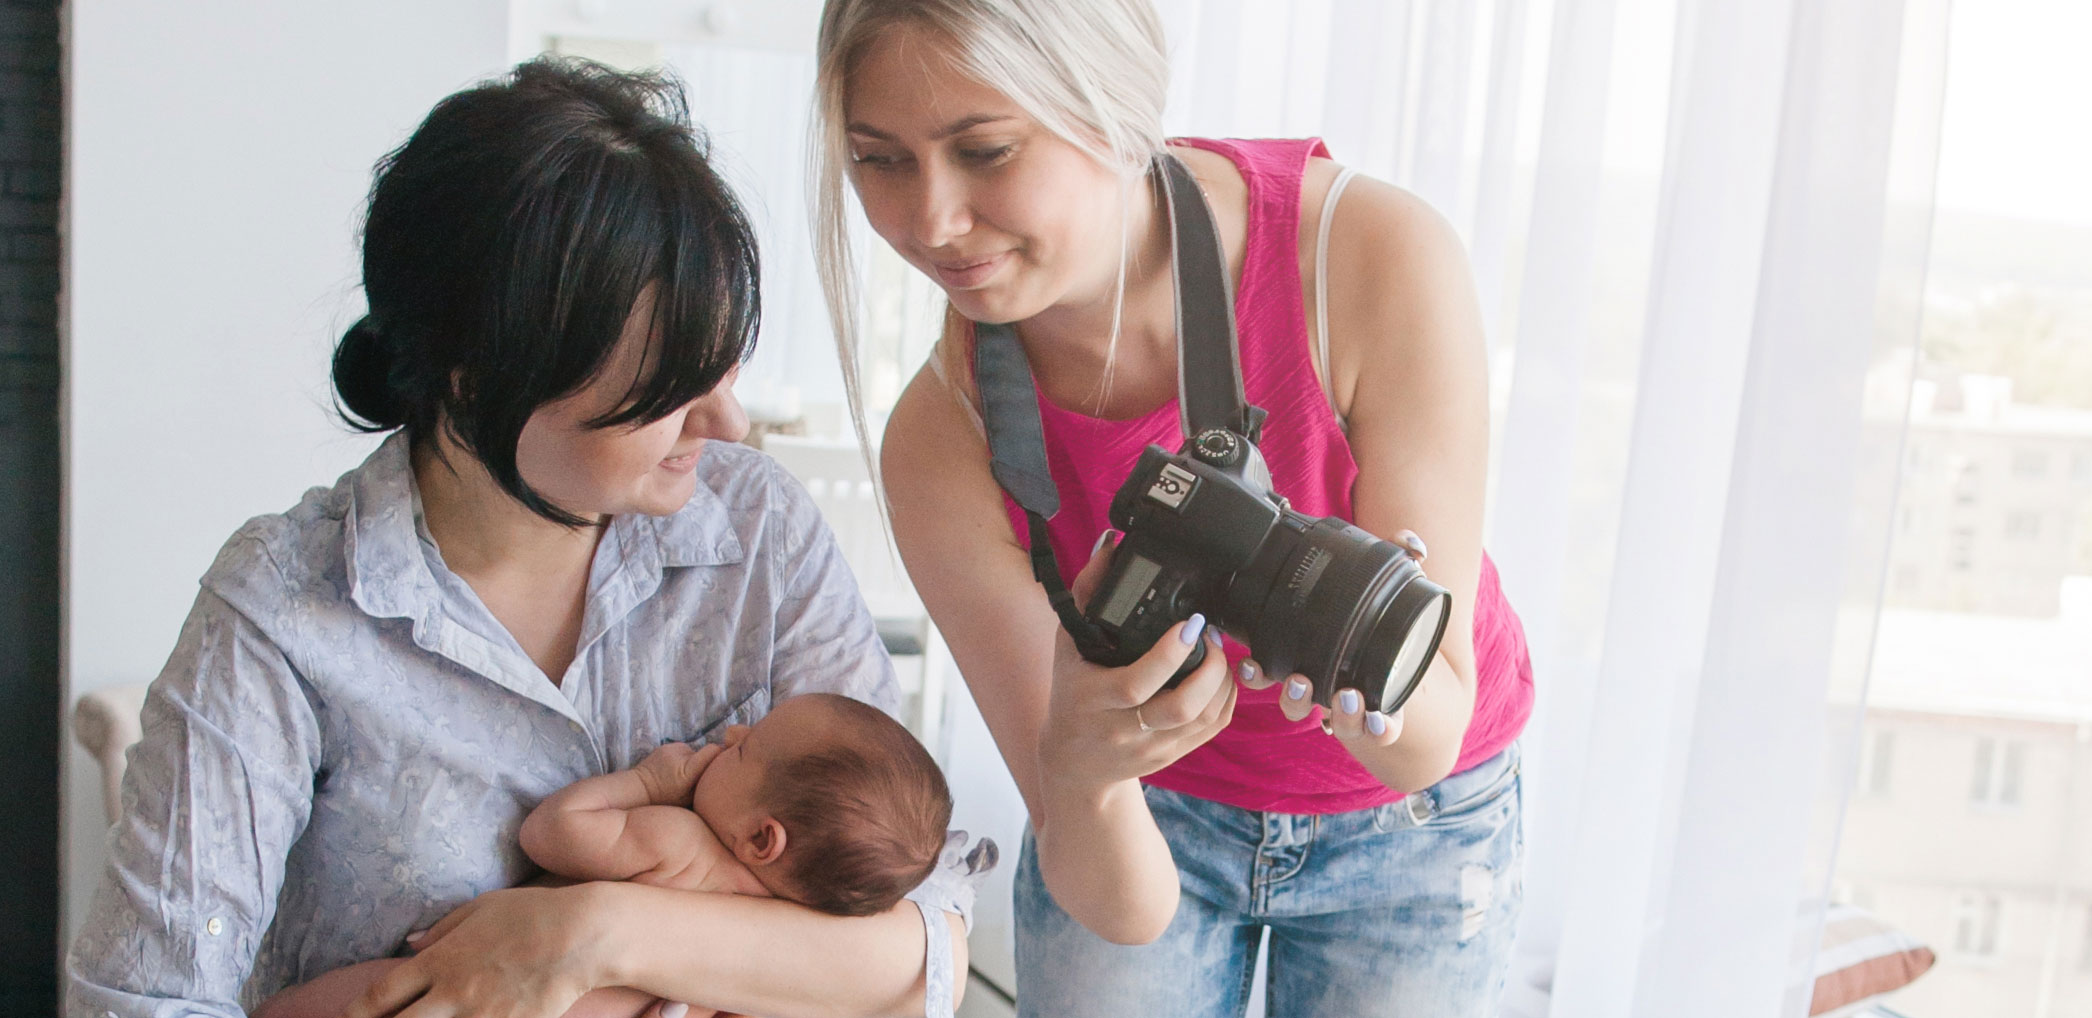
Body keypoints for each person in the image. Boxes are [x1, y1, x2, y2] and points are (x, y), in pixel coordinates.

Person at [67, 57, 975, 1018]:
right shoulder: (286, 611)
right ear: (479, 373)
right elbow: (142, 1002)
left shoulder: (756, 531)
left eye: (727, 362)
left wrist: (583, 936)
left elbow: (926, 936)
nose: (728, 421)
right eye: (669, 384)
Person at [809, 2, 1535, 1016]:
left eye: (984, 150)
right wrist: (1088, 774)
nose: (929, 222)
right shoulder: (940, 440)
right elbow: (1118, 904)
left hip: (1415, 818)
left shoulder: (1365, 255)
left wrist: (1327, 630)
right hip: (1154, 814)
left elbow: (1426, 734)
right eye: (878, 159)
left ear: (1111, 106)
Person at [253, 693, 954, 1018]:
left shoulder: (684, 849)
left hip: (499, 995)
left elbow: (554, 833)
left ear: (762, 837)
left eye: (746, 747)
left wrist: (649, 781)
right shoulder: (778, 920)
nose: (732, 733)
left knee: (348, 1000)